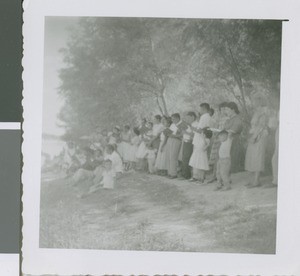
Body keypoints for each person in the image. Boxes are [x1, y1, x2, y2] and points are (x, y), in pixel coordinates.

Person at [245, 95, 269, 188]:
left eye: (255, 101)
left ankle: (256, 181)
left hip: (259, 136)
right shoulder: (256, 112)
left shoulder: (263, 112)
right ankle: (252, 180)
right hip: (254, 135)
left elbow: (261, 126)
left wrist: (254, 137)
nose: (253, 103)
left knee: (258, 157)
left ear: (259, 102)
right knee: (251, 157)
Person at [188, 103, 212, 182]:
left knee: (200, 159)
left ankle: (201, 178)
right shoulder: (207, 117)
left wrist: (191, 127)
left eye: (200, 109)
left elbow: (201, 130)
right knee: (197, 159)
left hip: (201, 140)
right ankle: (197, 177)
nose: (199, 111)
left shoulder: (205, 117)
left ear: (204, 109)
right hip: (199, 140)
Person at [208, 102, 229, 183]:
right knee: (216, 158)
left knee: (222, 159)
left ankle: (223, 178)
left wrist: (219, 131)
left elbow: (225, 130)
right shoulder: (219, 118)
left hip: (223, 140)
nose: (222, 111)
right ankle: (215, 176)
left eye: (225, 109)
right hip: (217, 139)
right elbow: (216, 127)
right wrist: (214, 130)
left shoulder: (228, 118)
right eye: (221, 109)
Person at [223, 102, 244, 173]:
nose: (226, 112)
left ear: (233, 110)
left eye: (227, 110)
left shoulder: (237, 119)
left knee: (230, 159)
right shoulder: (229, 119)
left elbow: (232, 132)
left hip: (233, 142)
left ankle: (228, 178)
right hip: (226, 142)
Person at [165, 113, 184, 179]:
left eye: (174, 119)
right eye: (172, 119)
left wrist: (174, 136)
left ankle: (174, 173)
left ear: (178, 118)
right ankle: (170, 172)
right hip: (170, 140)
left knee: (173, 156)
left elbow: (182, 135)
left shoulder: (182, 124)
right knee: (169, 156)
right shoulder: (172, 124)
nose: (172, 120)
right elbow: (169, 133)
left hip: (176, 141)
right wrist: (168, 134)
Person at [179, 111, 198, 179]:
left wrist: (186, 132)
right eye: (186, 118)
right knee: (184, 158)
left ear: (193, 117)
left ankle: (186, 175)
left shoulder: (195, 124)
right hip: (185, 141)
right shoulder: (189, 124)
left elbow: (194, 135)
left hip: (190, 142)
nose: (187, 120)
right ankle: (185, 174)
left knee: (186, 158)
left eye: (188, 118)